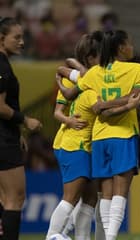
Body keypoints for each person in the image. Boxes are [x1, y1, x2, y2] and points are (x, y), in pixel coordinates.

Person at [56, 29, 140, 240]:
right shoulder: (136, 70)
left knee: (103, 195)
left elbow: (70, 93)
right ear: (121, 48)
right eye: (130, 44)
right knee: (120, 191)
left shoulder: (93, 73)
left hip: (99, 138)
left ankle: (72, 235)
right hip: (123, 135)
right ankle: (110, 238)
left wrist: (60, 78)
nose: (132, 47)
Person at [48, 31, 105, 239]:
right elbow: (57, 112)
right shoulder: (74, 81)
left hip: (89, 146)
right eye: (101, 55)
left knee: (90, 200)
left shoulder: (89, 78)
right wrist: (69, 120)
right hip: (74, 143)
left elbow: (67, 64)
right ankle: (52, 236)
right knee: (71, 198)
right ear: (90, 57)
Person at [0, 17, 42, 239]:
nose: (22, 42)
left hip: (6, 136)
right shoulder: (2, 66)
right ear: (1, 39)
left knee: (4, 198)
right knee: (15, 198)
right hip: (3, 141)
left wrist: (17, 132)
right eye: (16, 37)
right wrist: (25, 121)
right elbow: (0, 107)